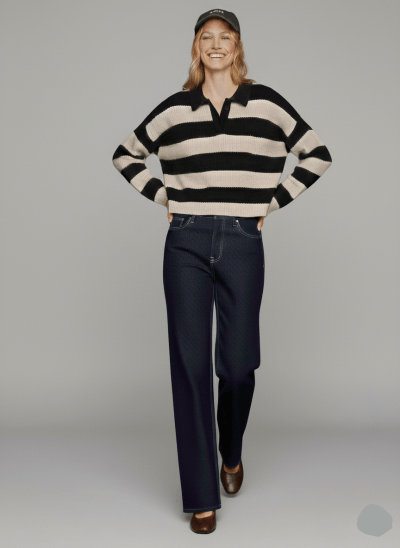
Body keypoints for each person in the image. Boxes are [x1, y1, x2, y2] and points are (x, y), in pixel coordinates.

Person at [112, 8, 332, 534]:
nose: (216, 44)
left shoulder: (266, 102)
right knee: (189, 367)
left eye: (225, 37)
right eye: (206, 37)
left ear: (237, 47)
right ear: (196, 48)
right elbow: (126, 154)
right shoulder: (175, 108)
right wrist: (164, 196)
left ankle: (230, 451)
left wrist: (270, 203)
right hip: (185, 241)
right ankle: (201, 498)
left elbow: (317, 153)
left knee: (237, 366)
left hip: (241, 239)